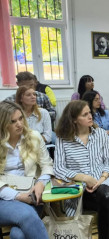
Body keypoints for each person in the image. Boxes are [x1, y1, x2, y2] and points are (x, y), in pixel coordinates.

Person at [54, 100, 109, 239]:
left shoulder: (101, 134)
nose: (90, 116)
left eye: (89, 113)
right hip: (79, 188)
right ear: (74, 120)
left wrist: (100, 180)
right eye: (84, 115)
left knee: (107, 194)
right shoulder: (63, 139)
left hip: (104, 180)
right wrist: (85, 178)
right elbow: (58, 168)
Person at [0, 101, 53, 239]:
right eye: (13, 121)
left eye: (21, 118)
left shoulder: (34, 136)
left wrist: (40, 183)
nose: (19, 124)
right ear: (3, 124)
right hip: (3, 198)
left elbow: (47, 165)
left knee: (18, 235)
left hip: (30, 193)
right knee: (27, 215)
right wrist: (19, 197)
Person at [82, 91, 109, 189]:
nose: (99, 101)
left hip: (108, 141)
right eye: (96, 100)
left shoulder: (104, 113)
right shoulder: (86, 116)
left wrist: (106, 139)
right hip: (93, 143)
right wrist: (102, 134)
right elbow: (88, 133)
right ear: (89, 101)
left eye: (100, 99)